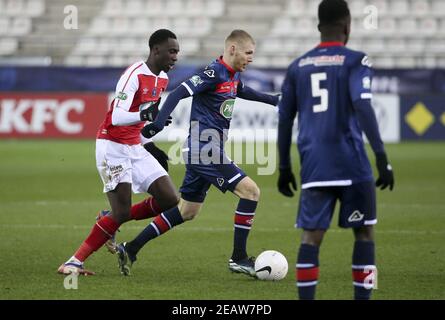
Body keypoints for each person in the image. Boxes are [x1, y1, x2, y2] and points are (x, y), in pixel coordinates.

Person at [115, 29, 280, 277]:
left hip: (205, 149)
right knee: (251, 191)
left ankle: (131, 248)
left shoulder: (232, 76)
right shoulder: (213, 73)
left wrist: (274, 100)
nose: (251, 58)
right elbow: (180, 91)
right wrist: (159, 122)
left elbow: (243, 91)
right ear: (233, 49)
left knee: (187, 210)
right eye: (248, 53)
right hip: (204, 149)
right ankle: (239, 257)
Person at [277, 0, 394, 300]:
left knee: (311, 237)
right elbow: (363, 105)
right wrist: (381, 157)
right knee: (364, 233)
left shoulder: (297, 66)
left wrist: (285, 168)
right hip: (352, 163)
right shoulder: (357, 61)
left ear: (319, 27)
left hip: (314, 164)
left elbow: (284, 120)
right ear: (348, 26)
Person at [57, 29, 182, 275]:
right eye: (171, 51)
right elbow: (117, 116)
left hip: (134, 145)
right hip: (111, 145)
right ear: (156, 50)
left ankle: (108, 218)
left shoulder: (163, 79)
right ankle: (73, 262)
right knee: (122, 212)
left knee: (170, 198)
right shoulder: (134, 74)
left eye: (177, 52)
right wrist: (145, 115)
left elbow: (141, 118)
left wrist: (149, 137)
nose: (175, 57)